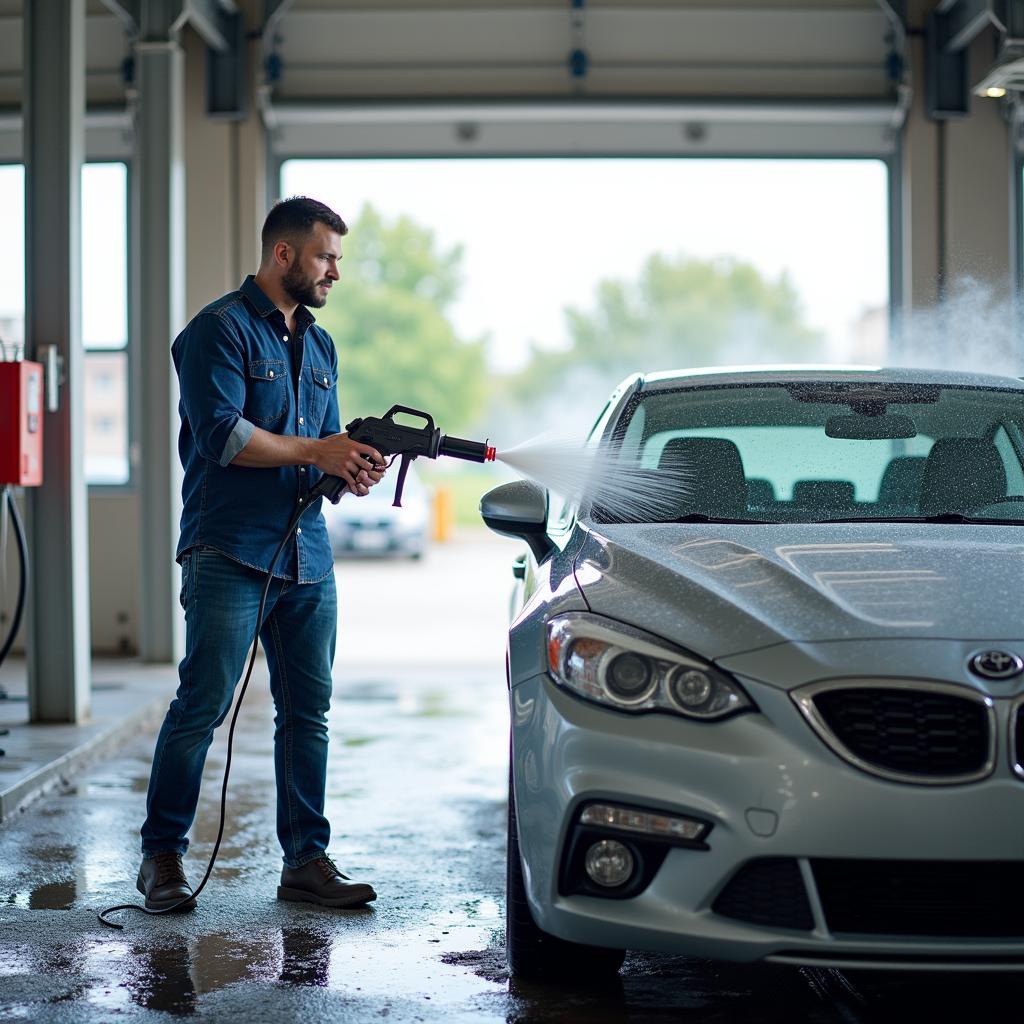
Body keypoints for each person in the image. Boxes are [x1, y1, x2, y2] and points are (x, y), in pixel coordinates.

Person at [137, 196, 385, 911]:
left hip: (307, 556)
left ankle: (306, 860)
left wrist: (348, 470)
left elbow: (320, 454)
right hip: (230, 552)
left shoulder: (322, 345)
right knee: (203, 706)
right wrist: (319, 450)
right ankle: (161, 858)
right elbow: (223, 435)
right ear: (284, 255)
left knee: (308, 713)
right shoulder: (217, 332)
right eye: (325, 257)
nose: (335, 271)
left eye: (337, 259)